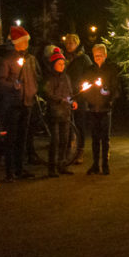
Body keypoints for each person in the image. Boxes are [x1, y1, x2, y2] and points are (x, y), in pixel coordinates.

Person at [0, 26, 39, 182]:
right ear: (18, 42)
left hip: (27, 102)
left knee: (23, 138)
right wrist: (12, 85)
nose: (27, 43)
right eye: (25, 40)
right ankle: (10, 172)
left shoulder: (29, 59)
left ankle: (20, 169)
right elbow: (1, 80)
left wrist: (33, 91)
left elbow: (34, 76)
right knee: (12, 138)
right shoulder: (8, 60)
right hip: (13, 104)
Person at [79, 43, 123, 175]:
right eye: (95, 56)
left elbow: (116, 88)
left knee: (105, 138)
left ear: (105, 55)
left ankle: (105, 164)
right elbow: (85, 87)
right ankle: (95, 164)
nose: (97, 58)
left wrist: (108, 95)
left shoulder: (110, 70)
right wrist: (88, 97)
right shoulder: (90, 70)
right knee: (94, 138)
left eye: (100, 55)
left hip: (105, 108)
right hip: (93, 108)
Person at [41, 47, 77, 177]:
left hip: (65, 113)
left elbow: (70, 91)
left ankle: (62, 165)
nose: (62, 66)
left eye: (63, 64)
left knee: (64, 140)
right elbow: (47, 93)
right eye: (59, 63)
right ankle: (52, 168)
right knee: (55, 141)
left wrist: (73, 100)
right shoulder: (50, 78)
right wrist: (60, 100)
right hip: (54, 113)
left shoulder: (66, 77)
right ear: (53, 64)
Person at [62, 33, 92, 165]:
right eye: (67, 43)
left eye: (71, 43)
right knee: (67, 123)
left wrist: (84, 88)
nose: (69, 45)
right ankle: (68, 150)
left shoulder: (83, 58)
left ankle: (80, 150)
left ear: (76, 43)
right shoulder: (63, 58)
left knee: (79, 124)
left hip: (79, 96)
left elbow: (90, 73)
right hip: (66, 95)